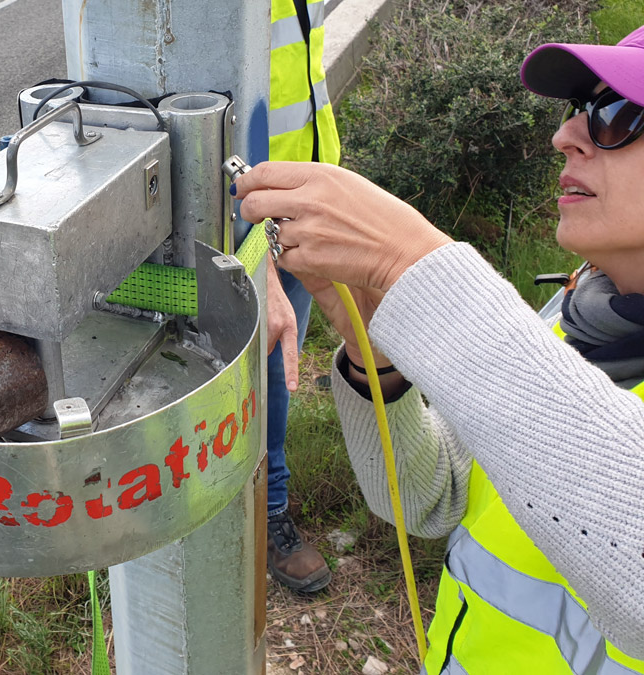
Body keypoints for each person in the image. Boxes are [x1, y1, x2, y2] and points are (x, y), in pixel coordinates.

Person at [234, 26, 644, 673]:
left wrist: (416, 263)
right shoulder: (579, 313)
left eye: (615, 116)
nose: (566, 136)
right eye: (573, 112)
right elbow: (434, 498)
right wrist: (383, 368)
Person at [259, 0, 341, 594]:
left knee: (279, 378)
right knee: (267, 377)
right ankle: (268, 515)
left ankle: (265, 503)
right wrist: (257, 265)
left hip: (305, 201)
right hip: (248, 222)